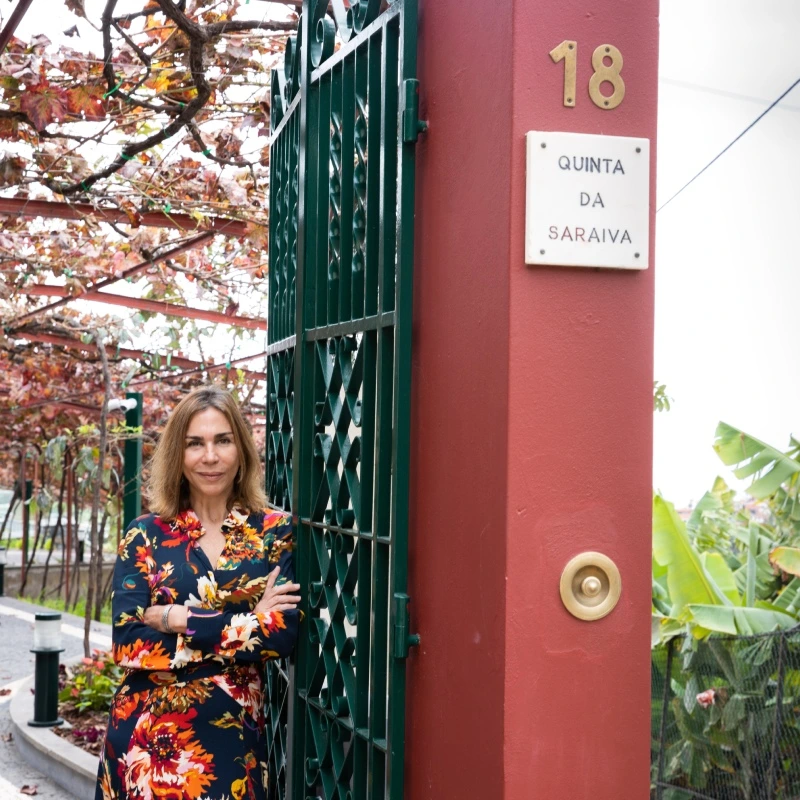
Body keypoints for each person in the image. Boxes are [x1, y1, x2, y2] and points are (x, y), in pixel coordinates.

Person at [96, 385, 301, 800]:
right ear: (178, 453)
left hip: (232, 743)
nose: (210, 457)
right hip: (148, 741)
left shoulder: (273, 533)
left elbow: (281, 635)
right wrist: (245, 626)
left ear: (241, 449)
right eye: (195, 444)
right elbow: (129, 644)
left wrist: (178, 619)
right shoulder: (145, 535)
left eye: (223, 440)